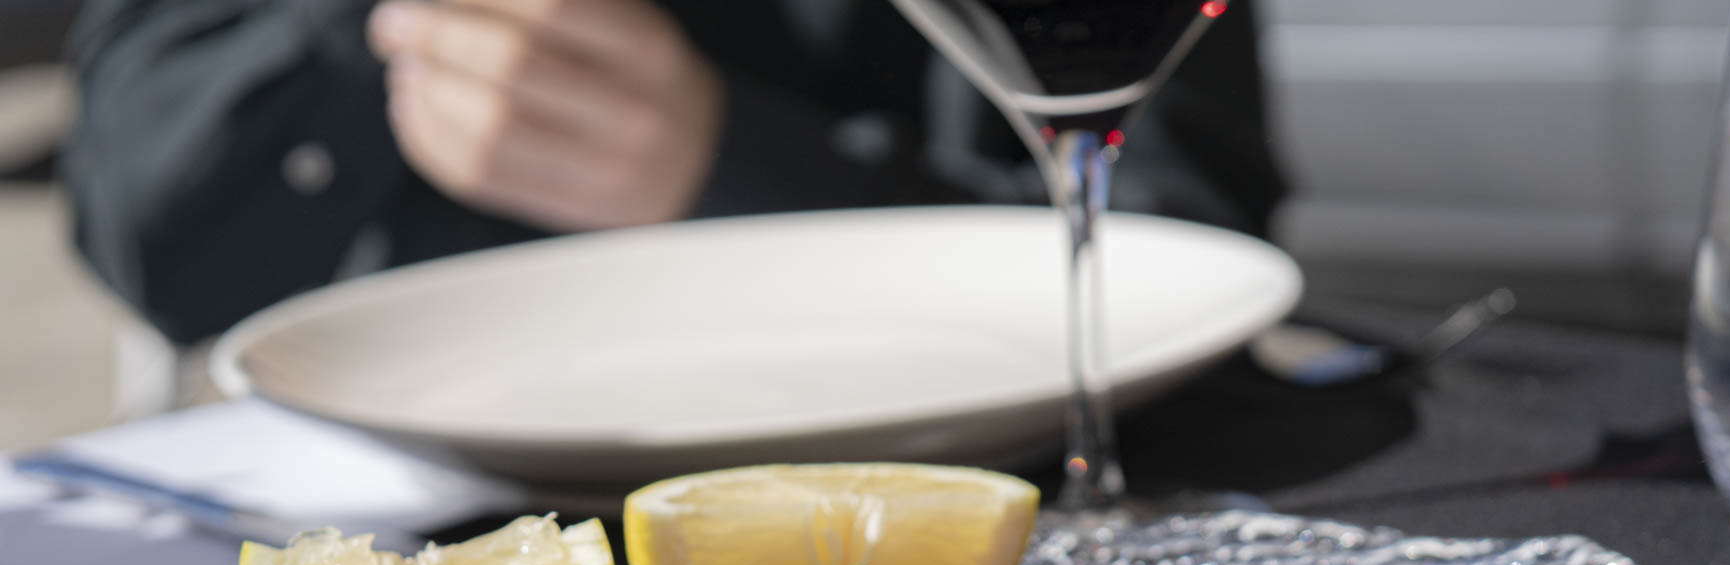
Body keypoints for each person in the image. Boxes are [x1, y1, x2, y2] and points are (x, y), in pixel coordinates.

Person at [61, 0, 1285, 345]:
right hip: (428, 548)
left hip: (958, 515)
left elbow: (1177, 234)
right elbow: (154, 248)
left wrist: (724, 171)